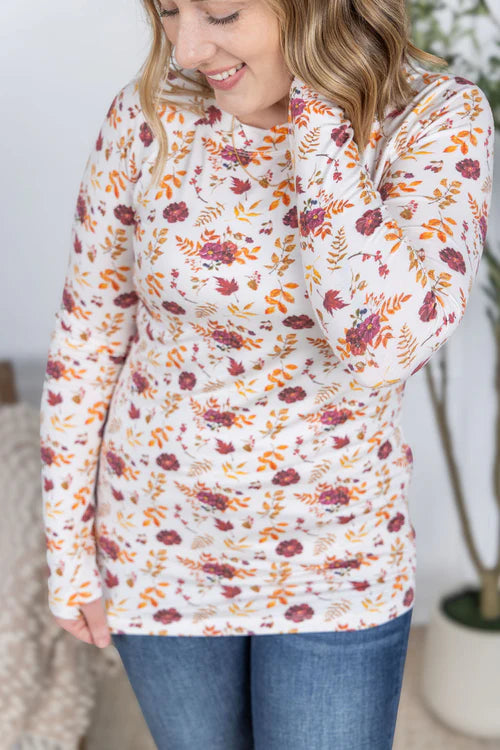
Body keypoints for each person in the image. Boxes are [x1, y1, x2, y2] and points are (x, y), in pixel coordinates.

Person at [39, 0, 495, 747]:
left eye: (221, 13)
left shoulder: (433, 119)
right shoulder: (148, 113)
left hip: (337, 561)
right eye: (169, 11)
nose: (187, 50)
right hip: (158, 546)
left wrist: (318, 118)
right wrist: (67, 552)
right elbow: (89, 335)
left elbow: (383, 344)